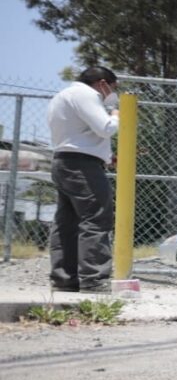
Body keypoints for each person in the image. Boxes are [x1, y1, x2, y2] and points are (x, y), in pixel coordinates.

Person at [48, 65, 120, 293]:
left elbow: (77, 135)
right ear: (102, 83)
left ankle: (64, 279)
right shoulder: (86, 94)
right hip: (82, 166)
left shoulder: (63, 96)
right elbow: (106, 128)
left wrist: (106, 156)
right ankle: (94, 280)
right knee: (96, 219)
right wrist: (117, 112)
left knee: (66, 222)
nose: (110, 94)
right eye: (112, 89)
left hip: (64, 161)